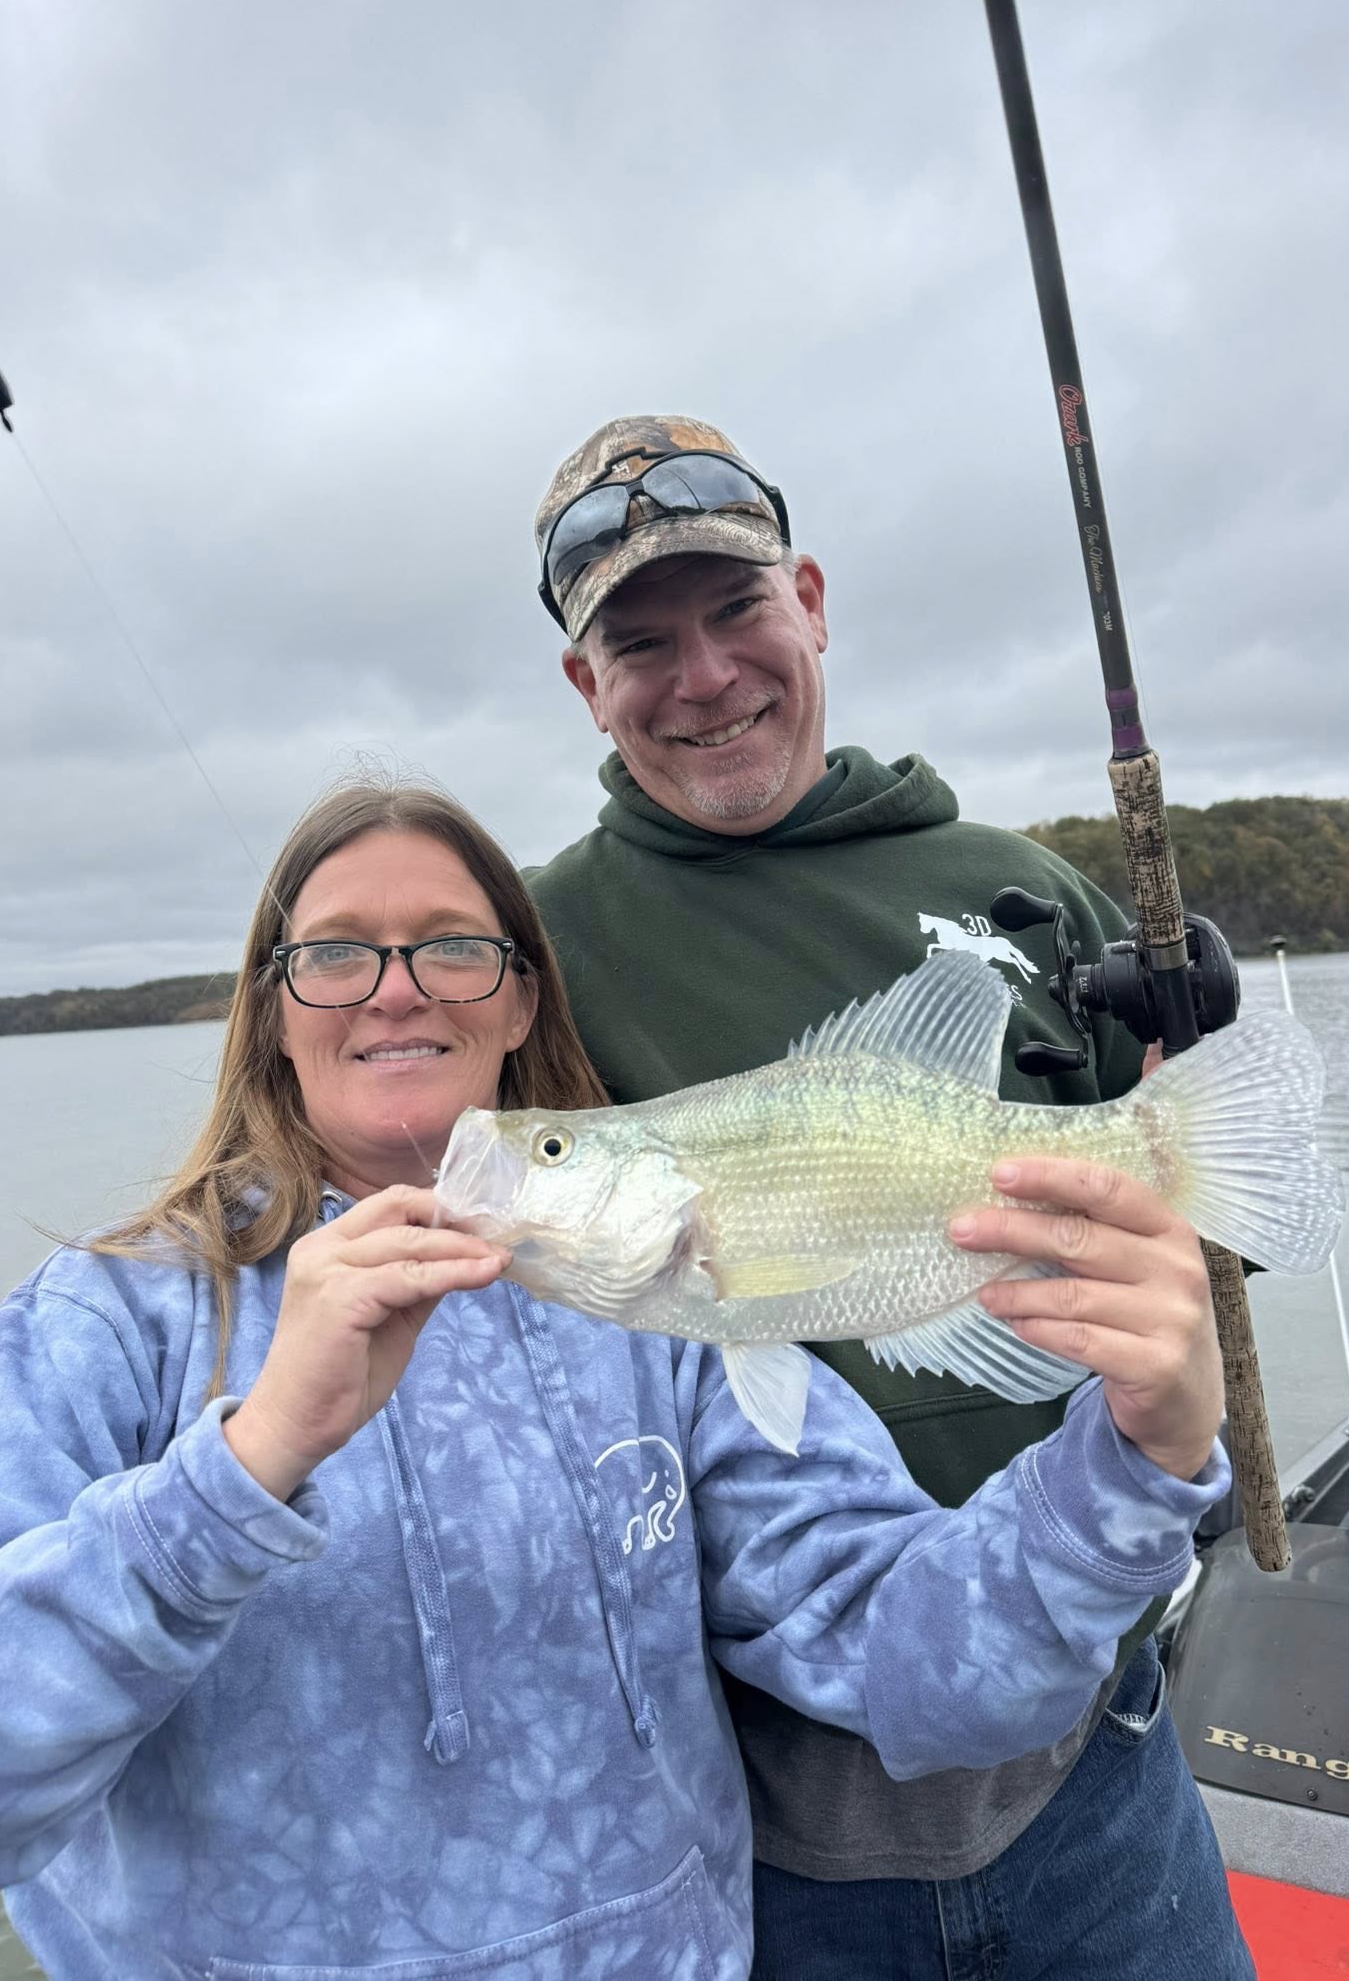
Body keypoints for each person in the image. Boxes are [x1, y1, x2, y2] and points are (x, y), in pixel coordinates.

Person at [0, 780, 1229, 1980]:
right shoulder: (102, 1325)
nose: (397, 987)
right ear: (273, 1007)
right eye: (338, 953)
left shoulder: (649, 1317)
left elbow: (927, 1672)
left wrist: (1134, 1458)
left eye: (455, 949)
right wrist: (241, 1473)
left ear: (521, 995)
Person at [527, 414, 1255, 1978]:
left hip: (1100, 1750)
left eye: (737, 611)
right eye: (640, 642)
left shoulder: (1022, 879)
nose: (706, 674)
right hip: (761, 1806)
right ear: (587, 688)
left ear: (812, 599)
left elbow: (1198, 1234)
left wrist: (1201, 1150)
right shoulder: (529, 953)